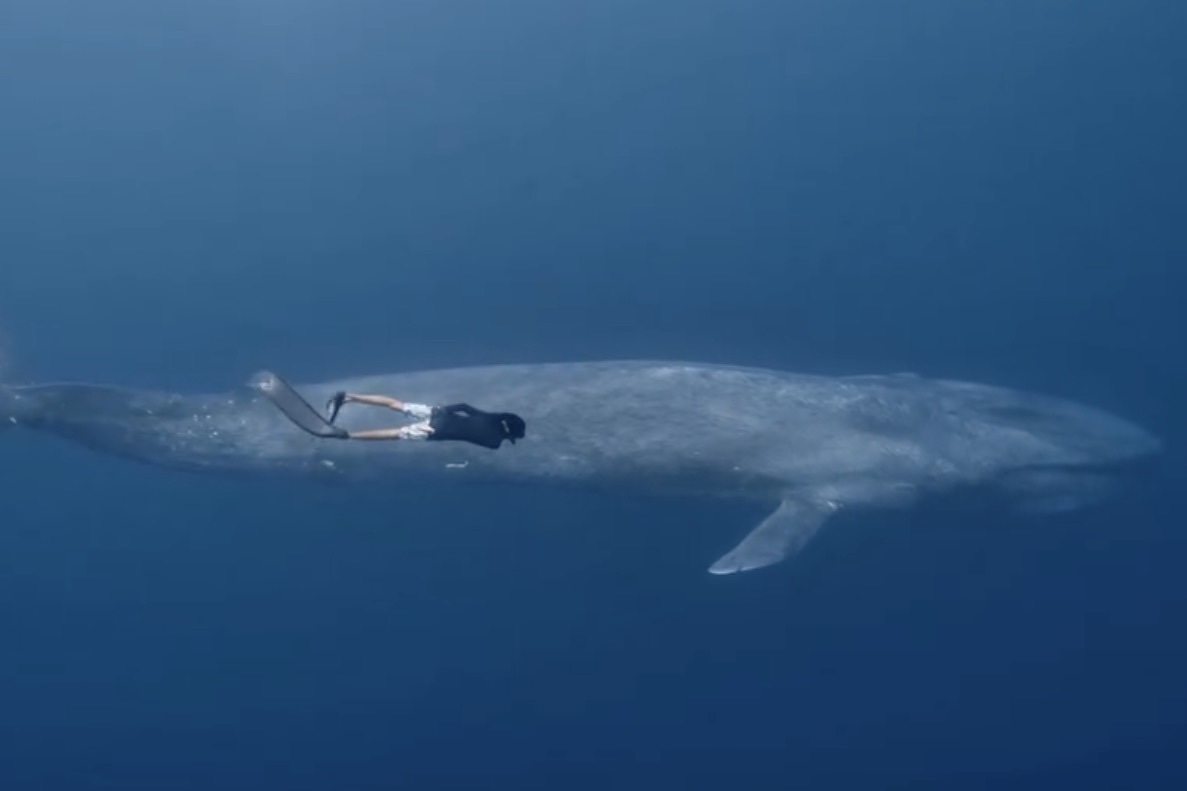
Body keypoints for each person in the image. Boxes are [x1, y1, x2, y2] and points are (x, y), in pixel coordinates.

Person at [323, 390, 526, 450]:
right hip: (437, 430)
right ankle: (346, 435)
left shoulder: (490, 419)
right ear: (508, 434)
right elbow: (468, 437)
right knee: (396, 434)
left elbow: (464, 406)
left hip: (440, 414)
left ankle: (348, 397)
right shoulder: (494, 443)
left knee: (397, 405)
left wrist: (443, 410)